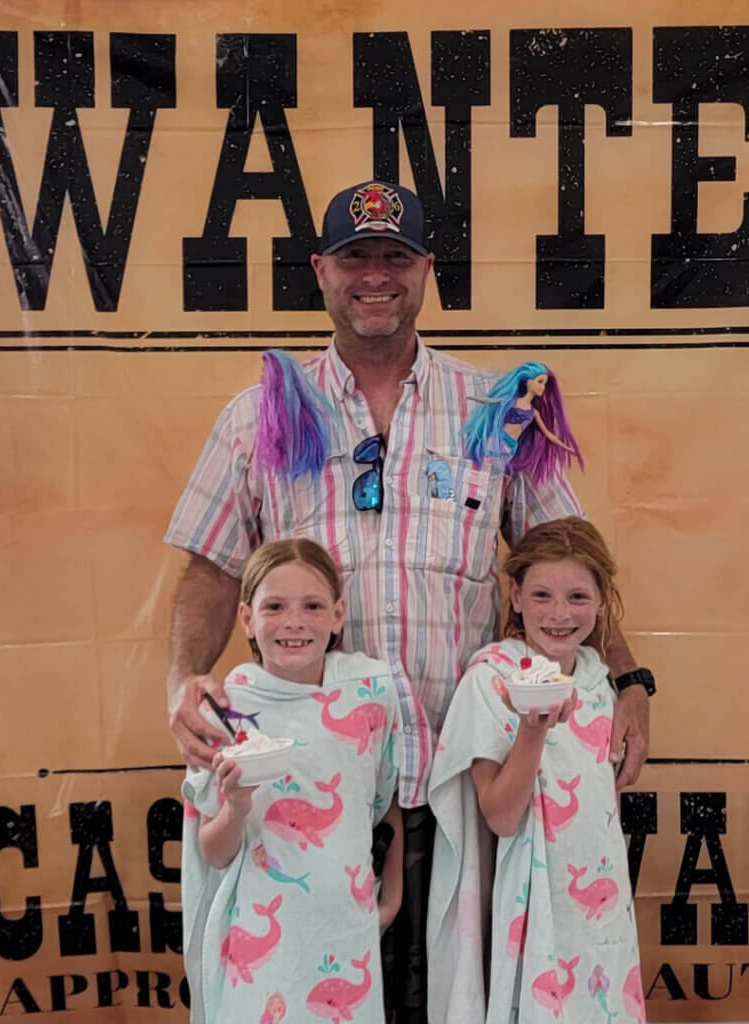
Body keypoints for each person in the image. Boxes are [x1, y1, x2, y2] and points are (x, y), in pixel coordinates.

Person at [164, 179, 653, 1022]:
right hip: (312, 783)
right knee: (315, 995)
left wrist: (630, 678)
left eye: (396, 256)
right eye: (356, 258)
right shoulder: (259, 418)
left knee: (451, 998)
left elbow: (571, 561)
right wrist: (181, 683)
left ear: (427, 269)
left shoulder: (492, 413)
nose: (375, 276)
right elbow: (210, 573)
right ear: (320, 270)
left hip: (463, 772)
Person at [427, 518, 645, 1023]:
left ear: (603, 601)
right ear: (516, 595)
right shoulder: (493, 681)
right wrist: (533, 728)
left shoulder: (597, 684)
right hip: (529, 911)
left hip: (597, 908)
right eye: (542, 595)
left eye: (577, 597)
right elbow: (500, 816)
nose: (559, 614)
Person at [181, 538, 403, 1024]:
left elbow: (385, 800)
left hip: (347, 927)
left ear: (338, 614)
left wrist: (394, 891)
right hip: (264, 939)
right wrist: (237, 806)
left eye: (313, 606)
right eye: (275, 607)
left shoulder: (370, 692)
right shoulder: (225, 710)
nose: (294, 622)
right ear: (247, 618)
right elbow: (213, 851)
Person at [462, 360, 583, 484]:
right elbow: (490, 401)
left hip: (510, 446)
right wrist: (472, 398)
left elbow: (548, 434)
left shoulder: (534, 412)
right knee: (484, 470)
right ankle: (472, 489)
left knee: (495, 475)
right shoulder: (512, 401)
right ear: (527, 381)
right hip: (498, 441)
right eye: (540, 382)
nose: (543, 387)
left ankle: (484, 492)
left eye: (545, 384)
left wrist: (566, 447)